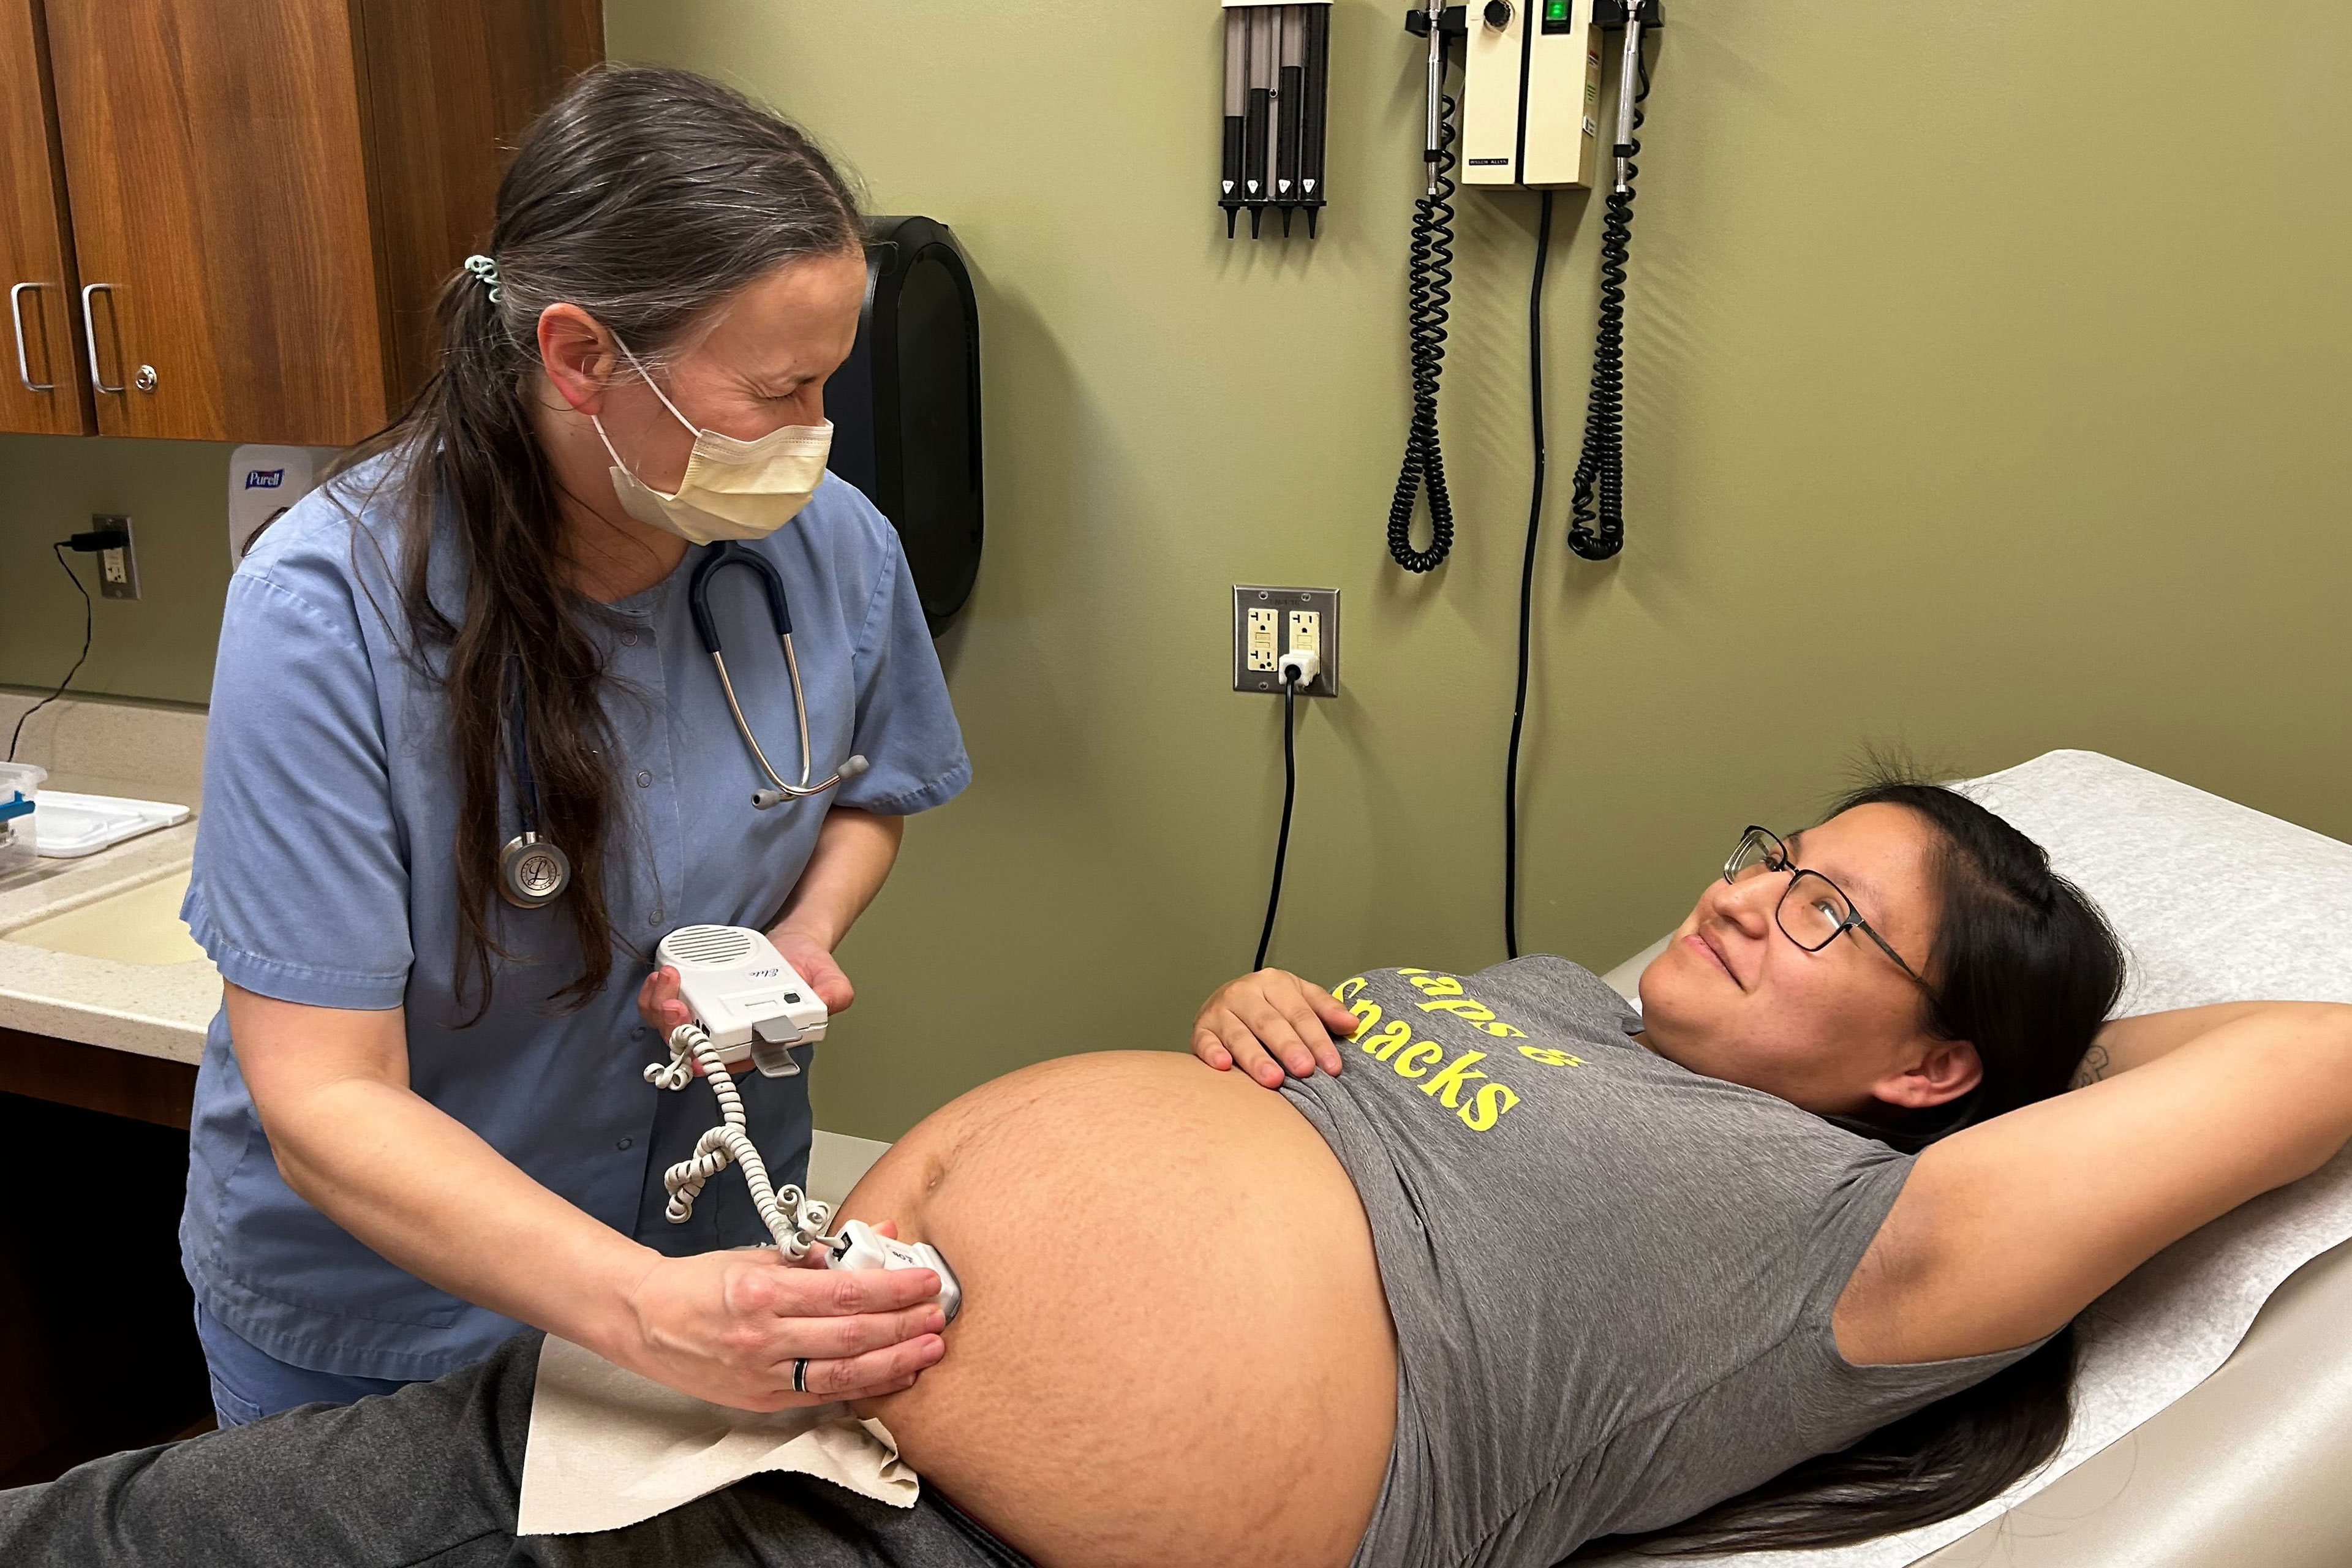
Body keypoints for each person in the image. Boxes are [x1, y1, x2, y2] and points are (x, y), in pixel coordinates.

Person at [10, 780, 2350, 1568]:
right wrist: (1251, 1031)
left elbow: (2307, 1055)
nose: (1749, 897)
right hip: (706, 1390)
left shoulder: (1868, 1244)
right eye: (1775, 856)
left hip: (936, 1546)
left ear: (1935, 1064)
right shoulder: (1549, 993)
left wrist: (2019, 1069)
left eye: (1830, 918)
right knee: (97, 1532)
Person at [172, 65, 968, 1428]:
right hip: (385, 1327)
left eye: (830, 379)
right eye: (781, 387)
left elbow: (866, 792)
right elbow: (324, 1100)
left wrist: (807, 927)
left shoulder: (834, 546)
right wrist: (643, 1308)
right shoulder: (327, 609)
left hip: (705, 1256)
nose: (817, 434)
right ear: (583, 355)